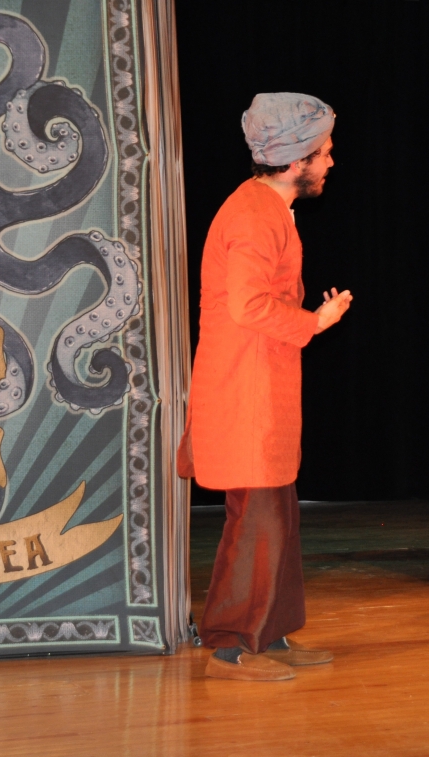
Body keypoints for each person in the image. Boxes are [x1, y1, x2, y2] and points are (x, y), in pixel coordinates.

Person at [177, 92, 353, 681]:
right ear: (296, 159)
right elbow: (250, 306)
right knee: (256, 519)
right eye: (324, 153)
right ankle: (230, 647)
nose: (330, 162)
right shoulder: (253, 213)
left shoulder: (267, 208)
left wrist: (308, 318)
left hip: (260, 383)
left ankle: (269, 635)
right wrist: (315, 322)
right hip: (242, 388)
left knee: (276, 517)